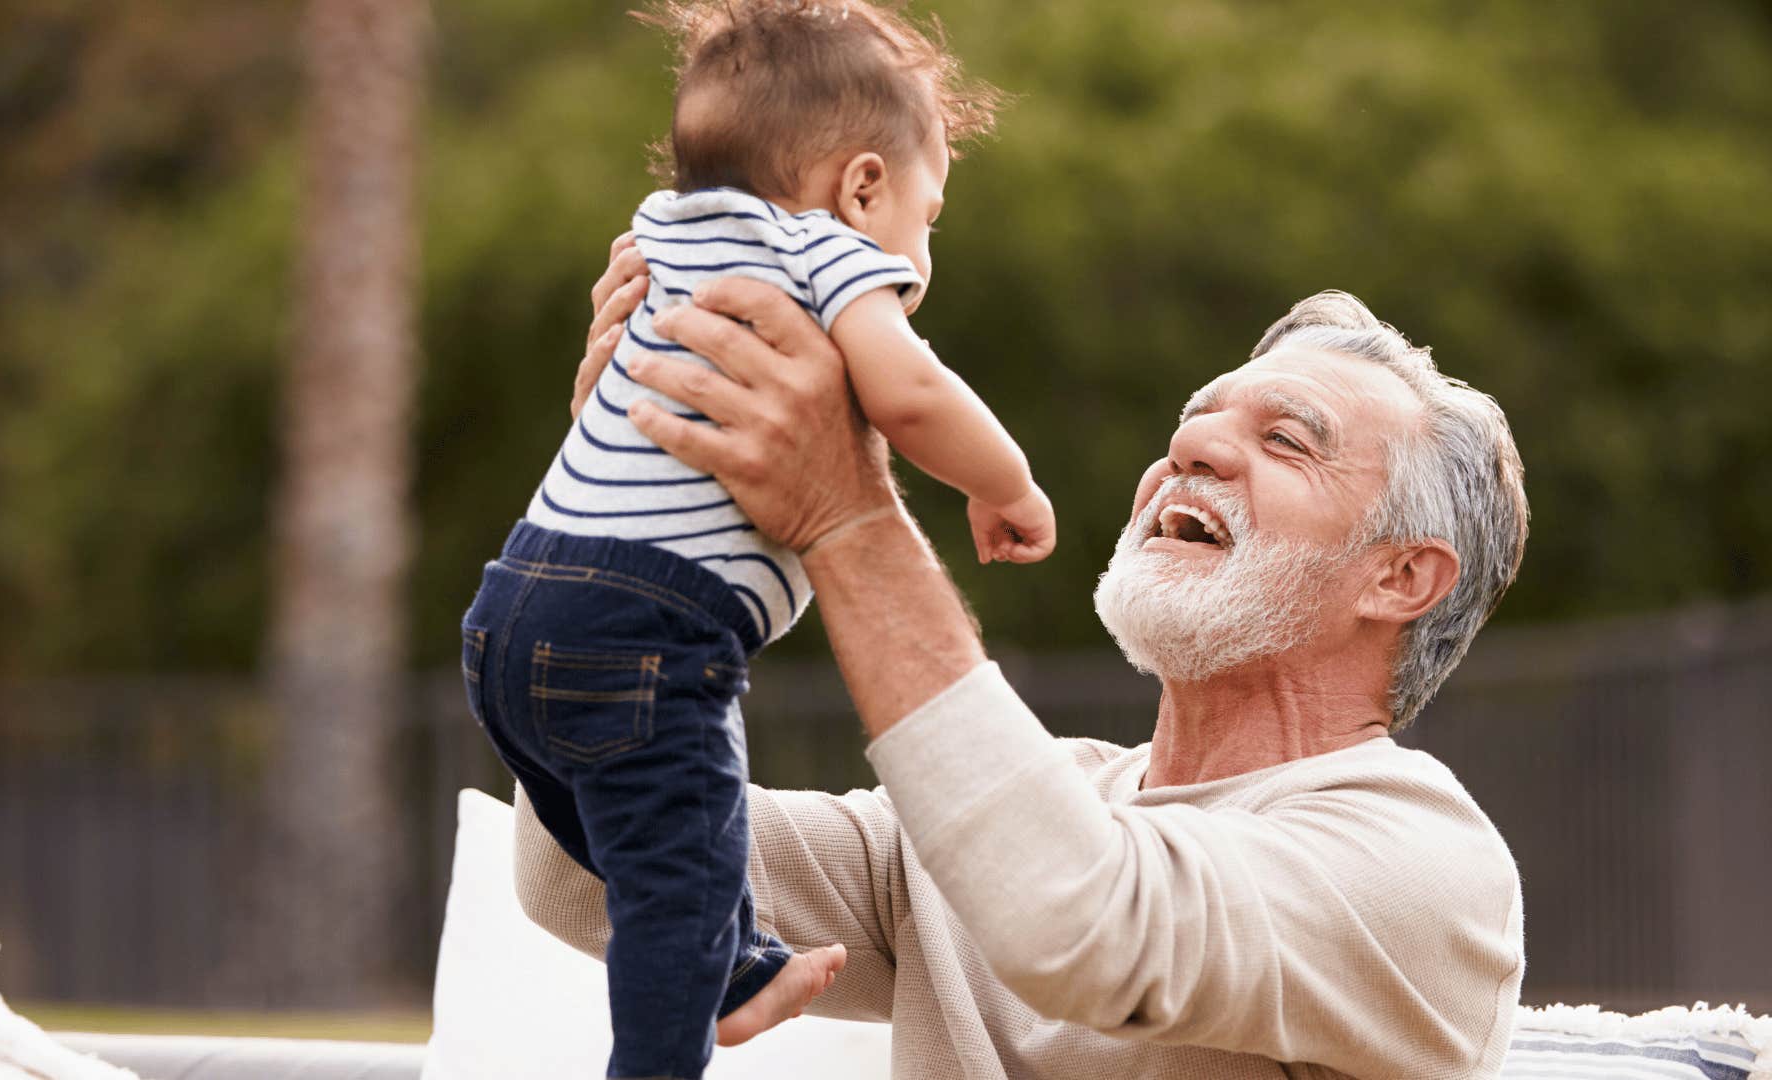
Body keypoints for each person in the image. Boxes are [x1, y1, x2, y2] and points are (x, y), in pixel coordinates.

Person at [518, 271, 1532, 1078]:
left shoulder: (1423, 860)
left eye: (1284, 439)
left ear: (1401, 577)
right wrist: (622, 511)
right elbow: (586, 872)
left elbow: (1081, 922)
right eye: (1196, 417)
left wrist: (847, 512)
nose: (1190, 447)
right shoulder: (1015, 813)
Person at [460, 3, 1052, 1078]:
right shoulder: (824, 252)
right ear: (863, 185)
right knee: (673, 892)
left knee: (657, 842)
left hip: (511, 614)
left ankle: (737, 964)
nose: (925, 247)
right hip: (647, 625)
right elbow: (912, 394)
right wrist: (1004, 484)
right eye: (931, 214)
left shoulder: (664, 235)